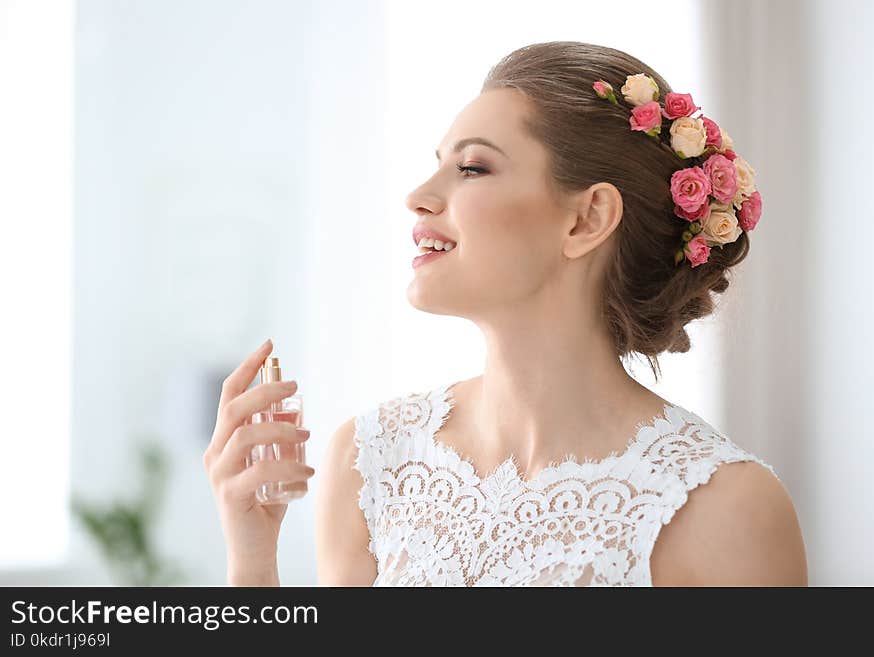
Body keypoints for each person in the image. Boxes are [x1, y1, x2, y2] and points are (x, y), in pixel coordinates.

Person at [205, 41, 808, 587]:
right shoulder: (371, 462)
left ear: (586, 219)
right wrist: (253, 561)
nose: (417, 195)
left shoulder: (727, 507)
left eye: (471, 167)